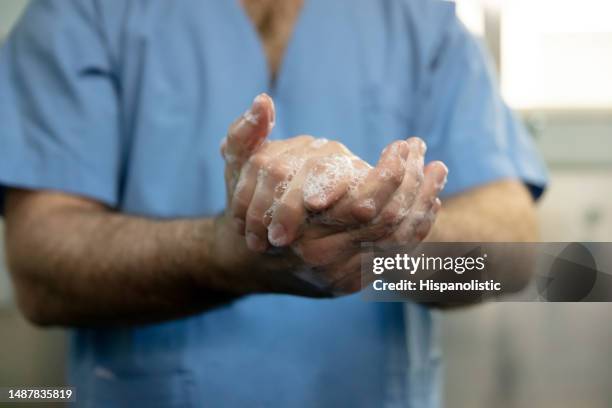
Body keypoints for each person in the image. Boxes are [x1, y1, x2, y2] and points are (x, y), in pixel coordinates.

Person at [0, 0, 547, 406]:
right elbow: (39, 270)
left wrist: (384, 239)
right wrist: (226, 253)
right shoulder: (83, 14)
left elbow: (514, 254)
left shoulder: (419, 19)